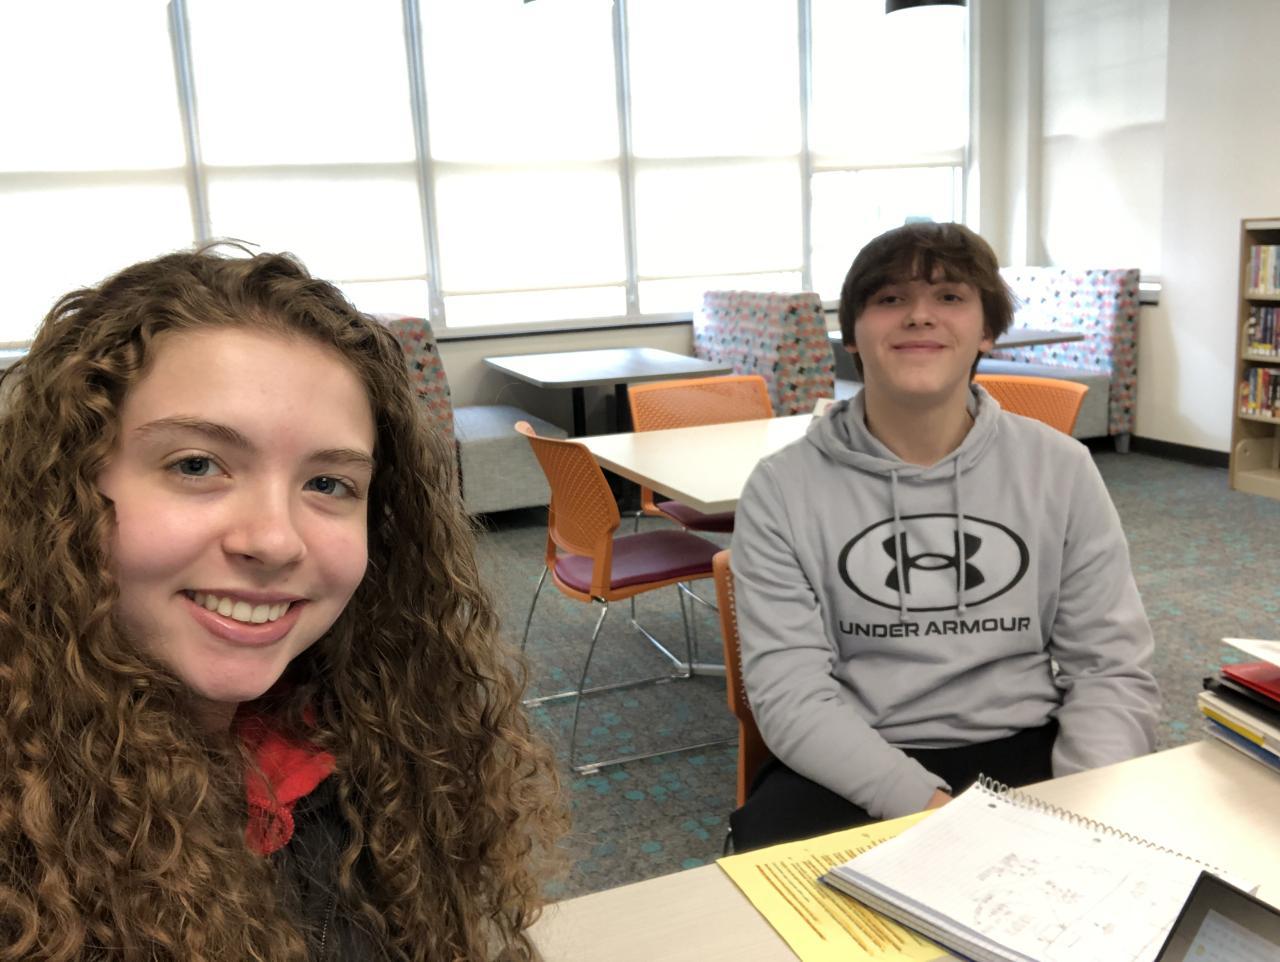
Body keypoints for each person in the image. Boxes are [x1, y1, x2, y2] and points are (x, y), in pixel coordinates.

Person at [0, 246, 565, 960]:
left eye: (328, 484)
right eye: (197, 465)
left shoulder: (378, 740)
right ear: (66, 493)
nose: (274, 540)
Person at [729, 222, 1160, 850]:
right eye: (890, 298)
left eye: (950, 296)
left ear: (986, 330)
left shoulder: (1061, 469)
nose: (919, 316)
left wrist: (1080, 811)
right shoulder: (780, 488)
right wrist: (936, 812)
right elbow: (790, 695)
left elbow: (1110, 667)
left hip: (1029, 743)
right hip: (854, 755)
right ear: (851, 335)